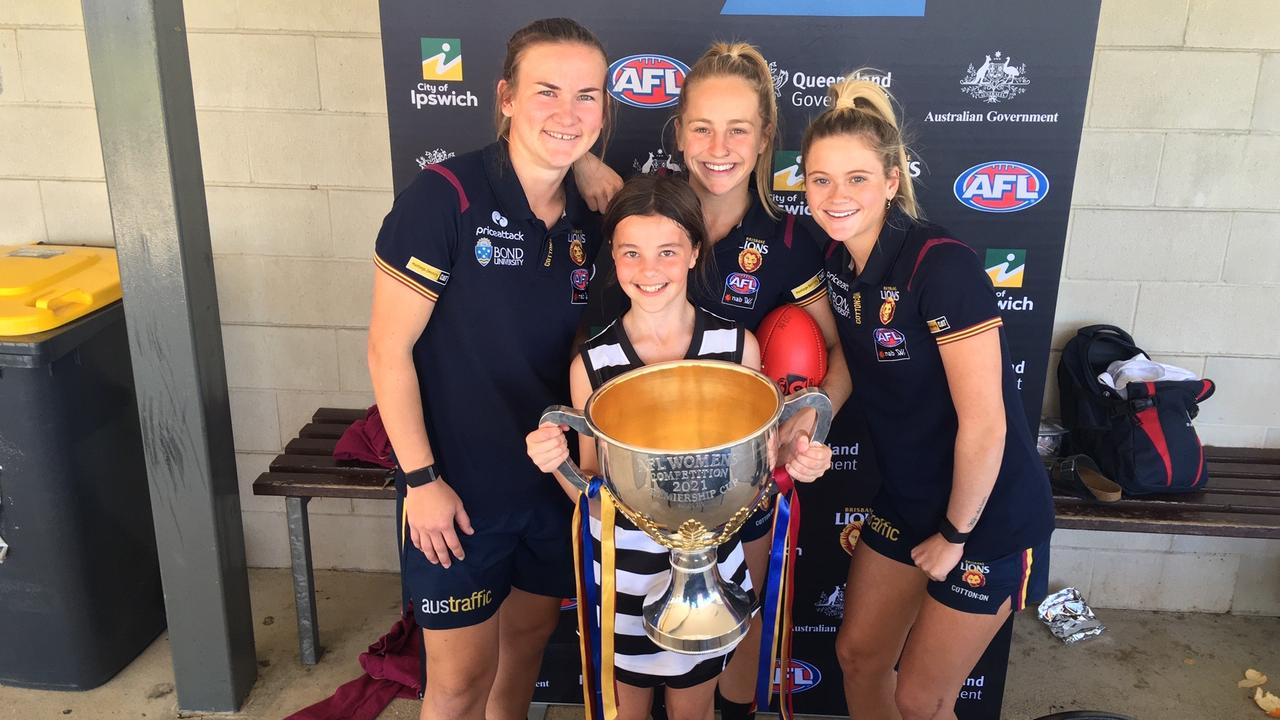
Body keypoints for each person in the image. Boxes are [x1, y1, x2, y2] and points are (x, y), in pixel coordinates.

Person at [366, 18, 610, 720]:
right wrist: (421, 481)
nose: (568, 112)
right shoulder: (443, 197)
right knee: (458, 685)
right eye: (547, 91)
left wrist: (587, 163)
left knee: (525, 654)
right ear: (505, 97)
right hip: (457, 494)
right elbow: (388, 349)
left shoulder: (592, 220)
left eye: (587, 96)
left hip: (550, 484)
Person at [525, 174, 834, 720]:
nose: (649, 270)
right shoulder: (591, 366)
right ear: (614, 259)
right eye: (631, 253)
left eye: (667, 251)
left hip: (710, 571)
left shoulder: (738, 347)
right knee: (628, 709)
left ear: (695, 251)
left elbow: (756, 471)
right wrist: (558, 466)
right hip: (626, 569)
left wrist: (797, 457)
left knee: (693, 708)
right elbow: (595, 488)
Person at [801, 75, 1055, 720]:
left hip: (986, 515)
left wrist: (955, 533)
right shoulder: (835, 262)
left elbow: (986, 423)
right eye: (820, 179)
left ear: (891, 181)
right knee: (858, 658)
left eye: (857, 178)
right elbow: (846, 367)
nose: (836, 195)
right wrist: (812, 422)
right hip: (908, 498)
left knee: (922, 700)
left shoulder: (942, 265)